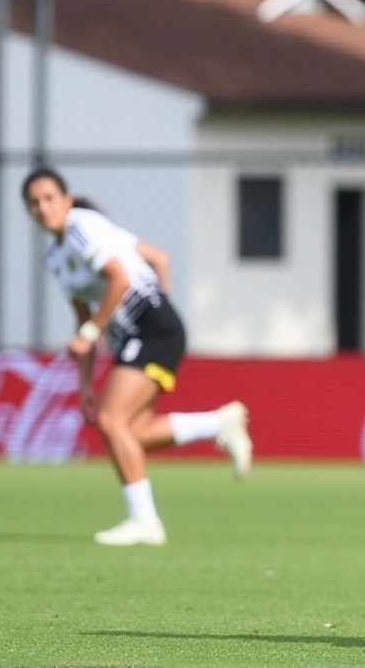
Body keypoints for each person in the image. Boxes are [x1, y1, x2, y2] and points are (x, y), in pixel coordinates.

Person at [23, 169, 254, 546]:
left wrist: (106, 327)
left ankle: (145, 522)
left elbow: (120, 280)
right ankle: (219, 423)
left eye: (49, 198)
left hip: (151, 329)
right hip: (138, 333)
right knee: (132, 433)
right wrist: (84, 384)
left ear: (66, 200)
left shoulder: (82, 227)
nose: (42, 207)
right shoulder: (57, 256)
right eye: (34, 203)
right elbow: (85, 318)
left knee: (113, 420)